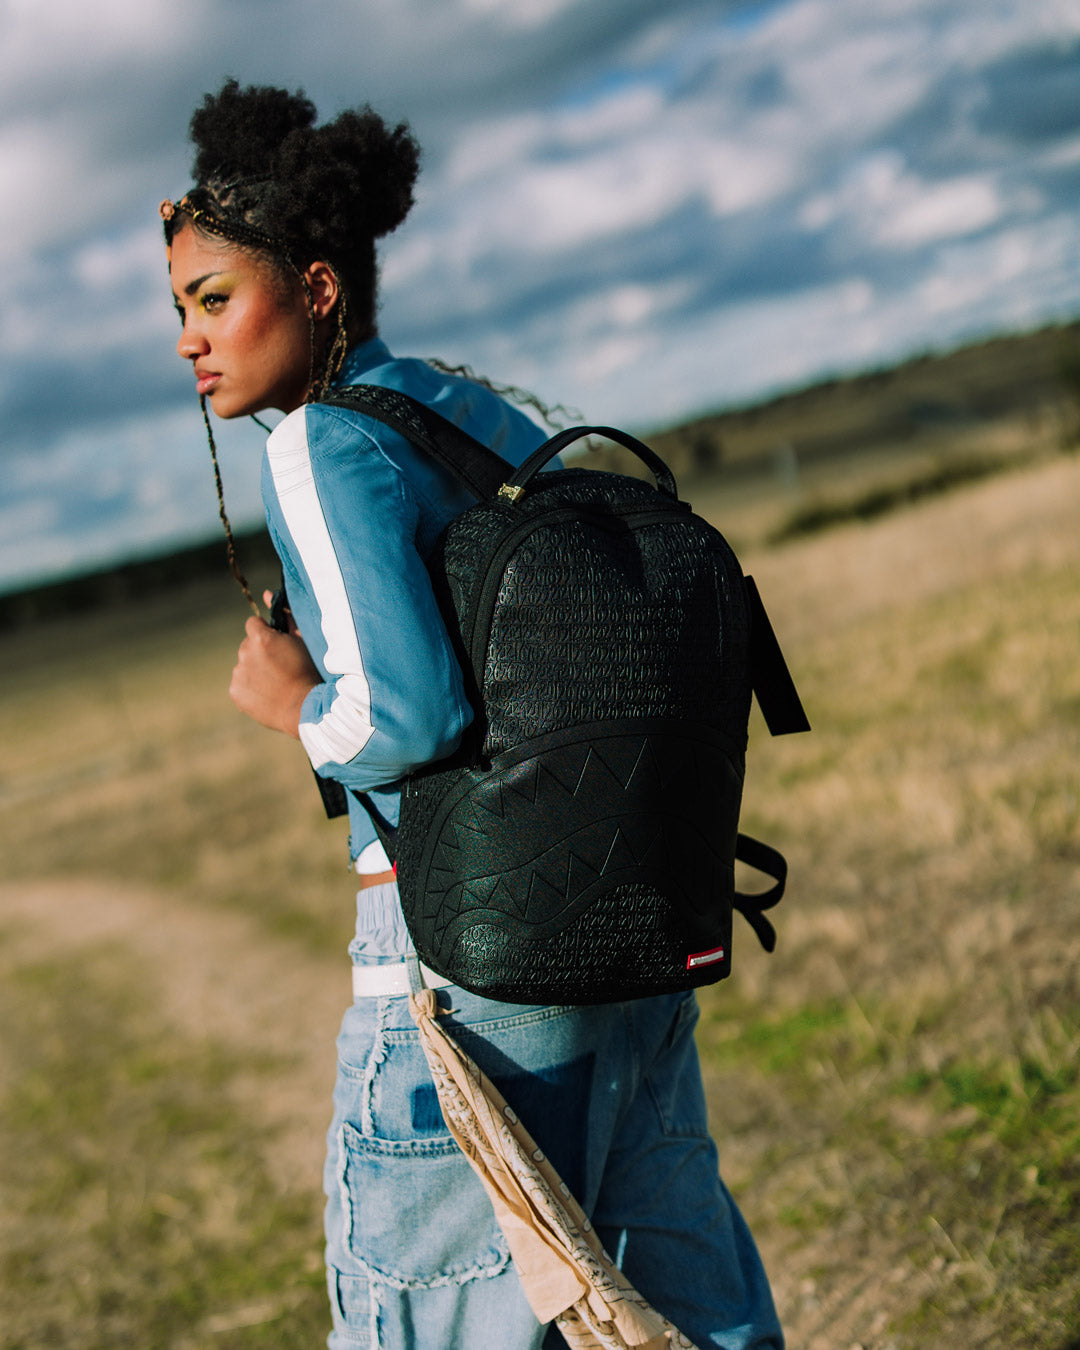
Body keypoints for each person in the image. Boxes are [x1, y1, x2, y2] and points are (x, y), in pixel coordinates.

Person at [162, 79, 784, 1350]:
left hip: (461, 946)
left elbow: (402, 714)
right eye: (181, 308)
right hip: (628, 908)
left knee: (428, 1316)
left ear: (319, 288)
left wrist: (293, 708)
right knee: (681, 1289)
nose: (189, 338)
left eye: (214, 299)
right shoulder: (464, 402)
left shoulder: (317, 444)